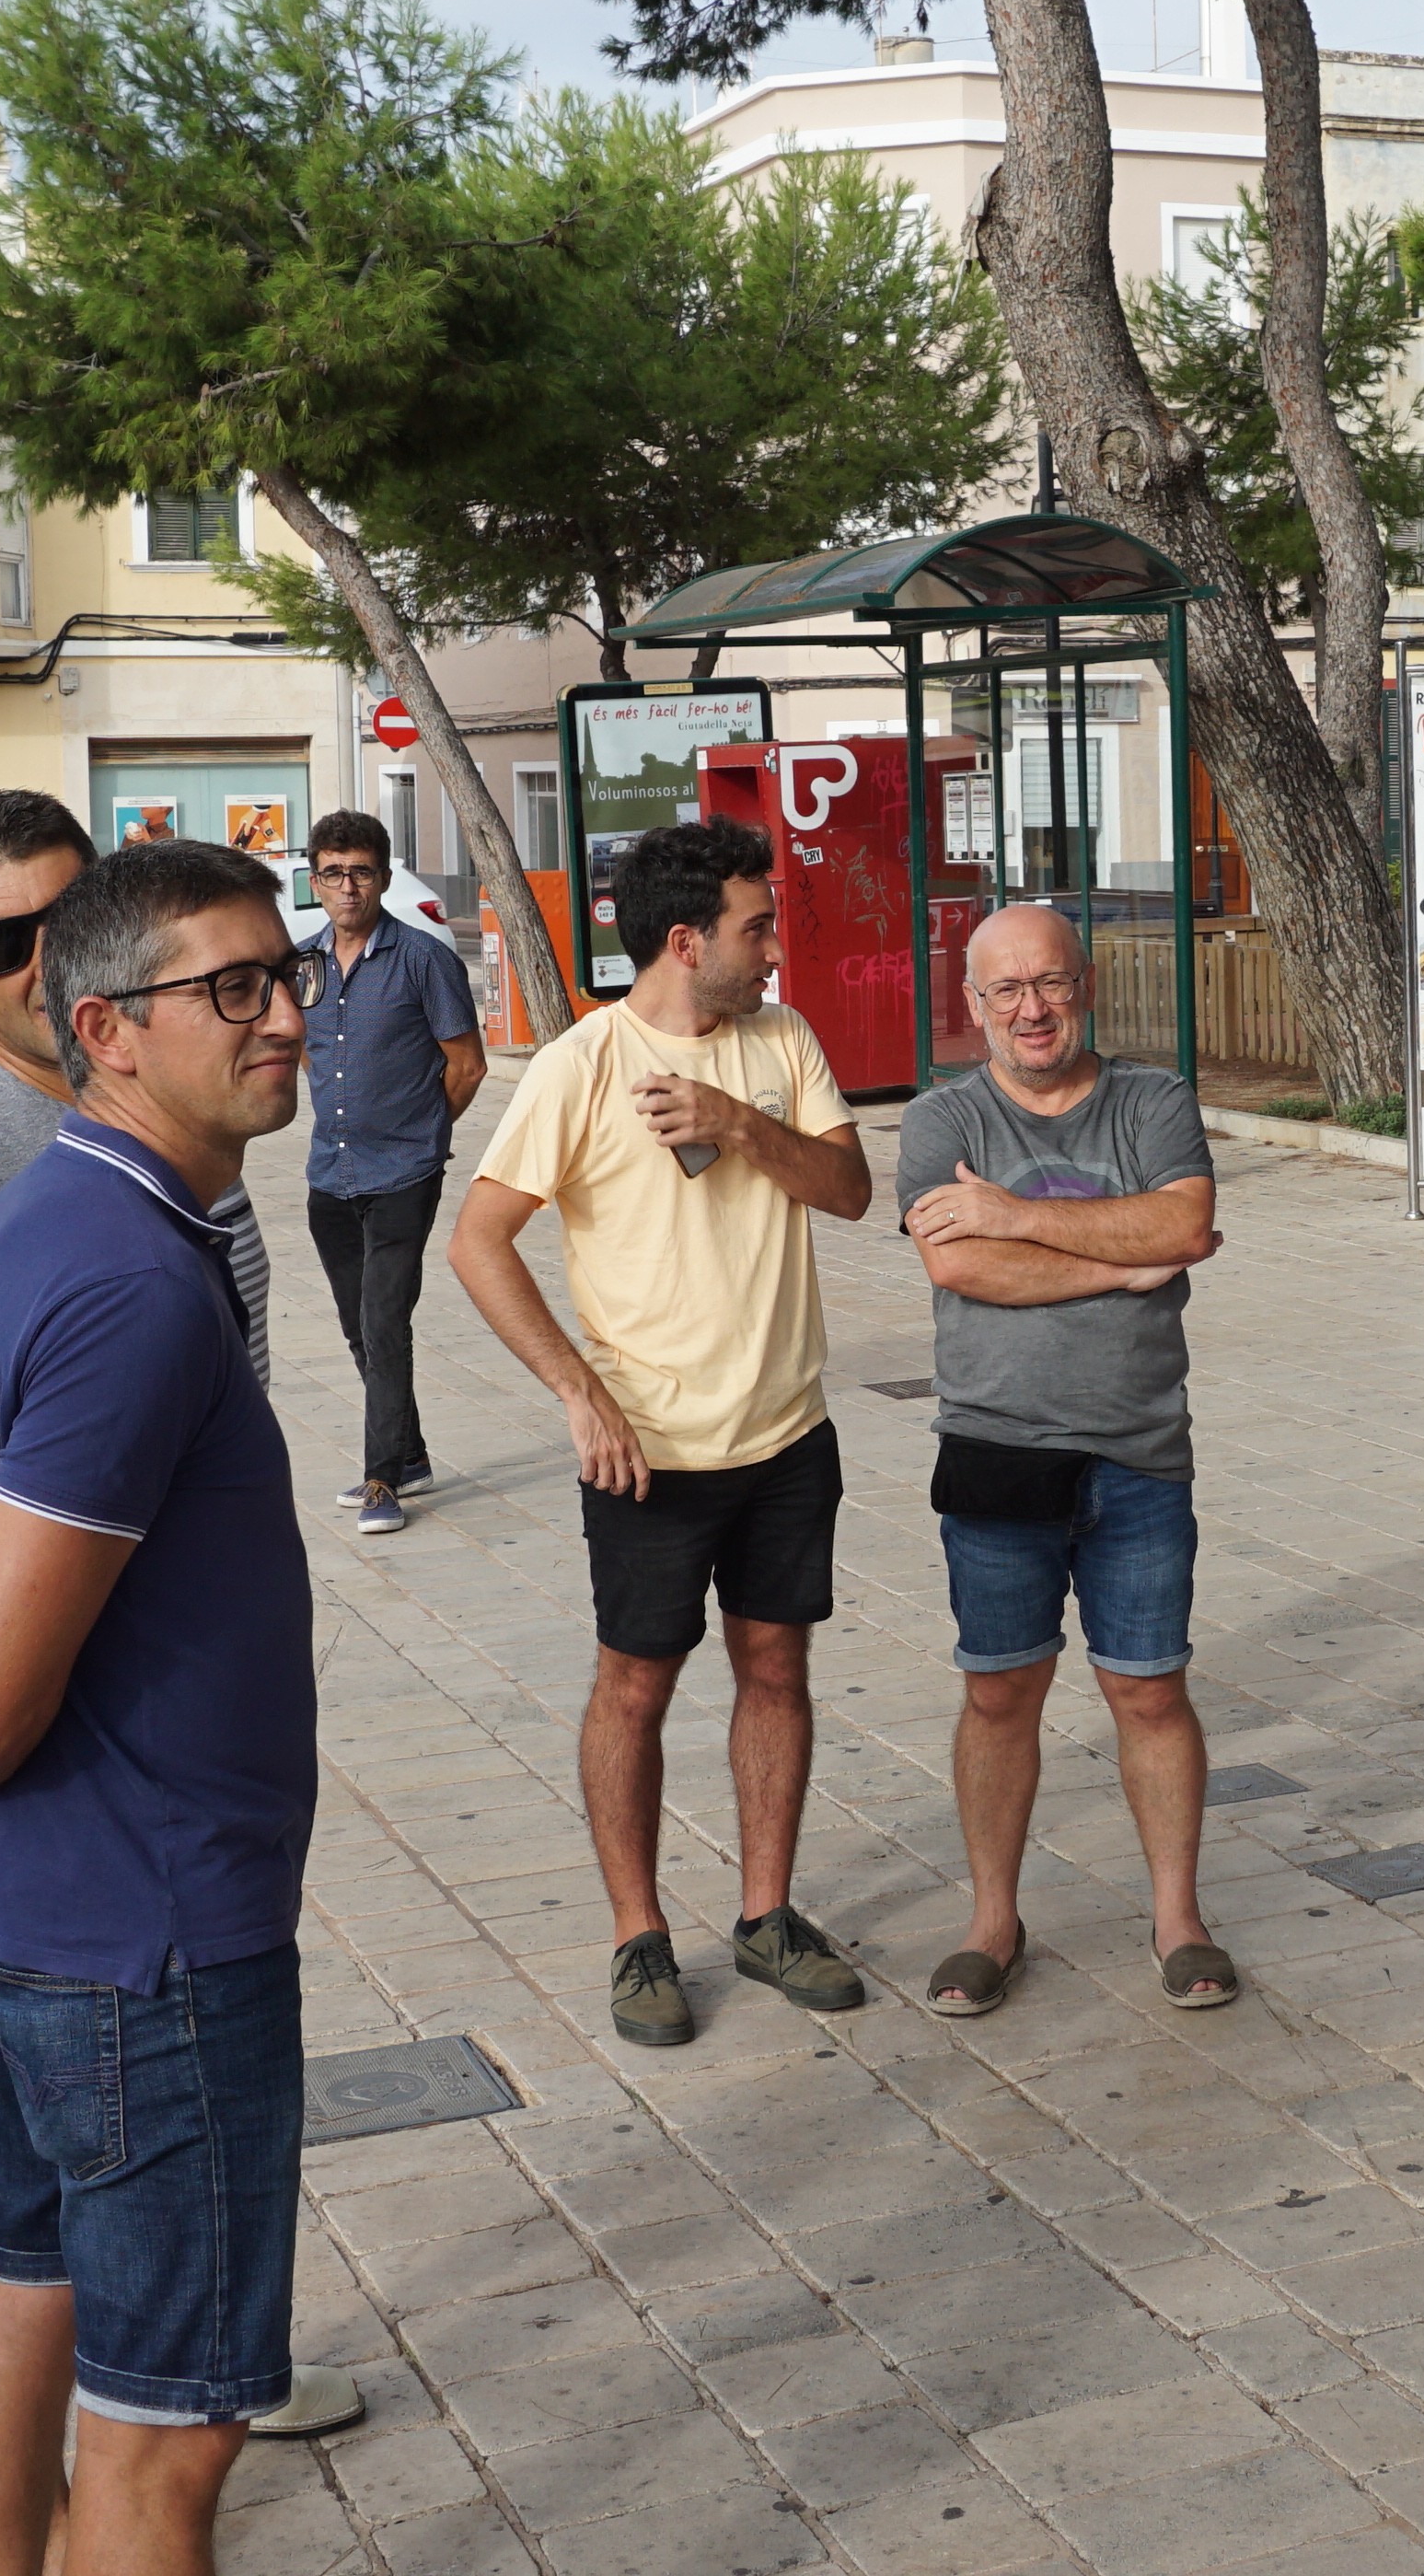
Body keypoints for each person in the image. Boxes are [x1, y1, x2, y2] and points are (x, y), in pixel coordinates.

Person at [0, 793, 351, 2447]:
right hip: (142, 1922)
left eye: (288, 975)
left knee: (21, 2320)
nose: (287, 1017)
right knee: (165, 2447)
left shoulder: (83, 1198)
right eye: (234, 990)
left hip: (71, 1904)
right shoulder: (78, 1248)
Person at [450, 817, 874, 2049]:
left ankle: (767, 1915)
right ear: (688, 940)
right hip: (650, 1452)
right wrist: (579, 1394)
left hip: (786, 1430)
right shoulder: (584, 1063)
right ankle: (639, 1940)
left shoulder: (780, 1041)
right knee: (635, 1685)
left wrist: (738, 1124)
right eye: (757, 926)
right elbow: (478, 1243)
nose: (774, 948)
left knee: (776, 1669)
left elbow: (847, 1193)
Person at [893, 906, 1232, 2017]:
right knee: (999, 1693)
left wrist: (1013, 1216)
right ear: (973, 1005)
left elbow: (1183, 1225)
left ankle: (1178, 1917)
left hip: (1139, 1450)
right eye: (1006, 991)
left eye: (1049, 983)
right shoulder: (943, 1117)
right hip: (998, 1448)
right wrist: (1112, 1260)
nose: (1031, 1008)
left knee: (1149, 1688)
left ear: (1084, 983)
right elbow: (961, 1272)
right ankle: (994, 1919)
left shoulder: (1152, 1101)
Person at [292, 811, 484, 1537]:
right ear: (316, 882)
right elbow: (311, 1053)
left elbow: (466, 1066)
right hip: (329, 1176)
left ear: (384, 877)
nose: (348, 887)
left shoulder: (424, 959)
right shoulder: (301, 964)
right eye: (334, 873)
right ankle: (411, 1454)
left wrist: (420, 1136)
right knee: (355, 1326)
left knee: (383, 1321)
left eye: (362, 872)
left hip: (404, 1173)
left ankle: (381, 1481)